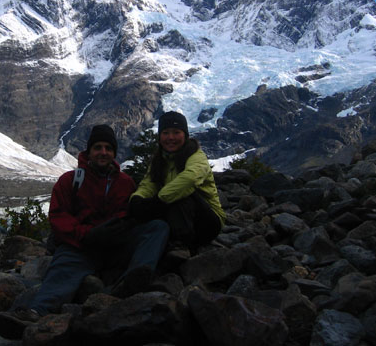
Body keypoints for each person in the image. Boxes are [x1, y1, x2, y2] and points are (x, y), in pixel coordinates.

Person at [13, 124, 169, 321]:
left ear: (114, 153)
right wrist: (86, 234)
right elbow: (58, 216)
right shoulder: (70, 180)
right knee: (64, 265)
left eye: (108, 148)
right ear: (89, 151)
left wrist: (119, 228)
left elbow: (130, 215)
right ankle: (38, 312)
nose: (103, 152)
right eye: (98, 147)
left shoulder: (125, 182)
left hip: (116, 245)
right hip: (83, 246)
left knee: (157, 228)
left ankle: (132, 282)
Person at [128, 111, 225, 253]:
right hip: (176, 215)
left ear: (185, 135)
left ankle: (182, 246)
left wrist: (159, 200)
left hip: (208, 222)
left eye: (176, 132)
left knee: (182, 195)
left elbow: (190, 178)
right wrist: (137, 198)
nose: (171, 137)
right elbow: (149, 183)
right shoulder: (159, 159)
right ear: (160, 136)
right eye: (166, 133)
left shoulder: (196, 156)